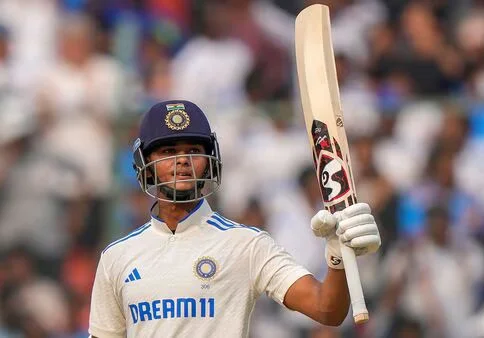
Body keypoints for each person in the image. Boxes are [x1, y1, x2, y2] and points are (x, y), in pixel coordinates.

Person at [88, 100, 381, 337]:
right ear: (146, 164)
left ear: (208, 161)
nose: (182, 160)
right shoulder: (117, 256)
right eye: (168, 151)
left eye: (193, 150)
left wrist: (336, 258)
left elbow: (326, 310)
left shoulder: (246, 244)